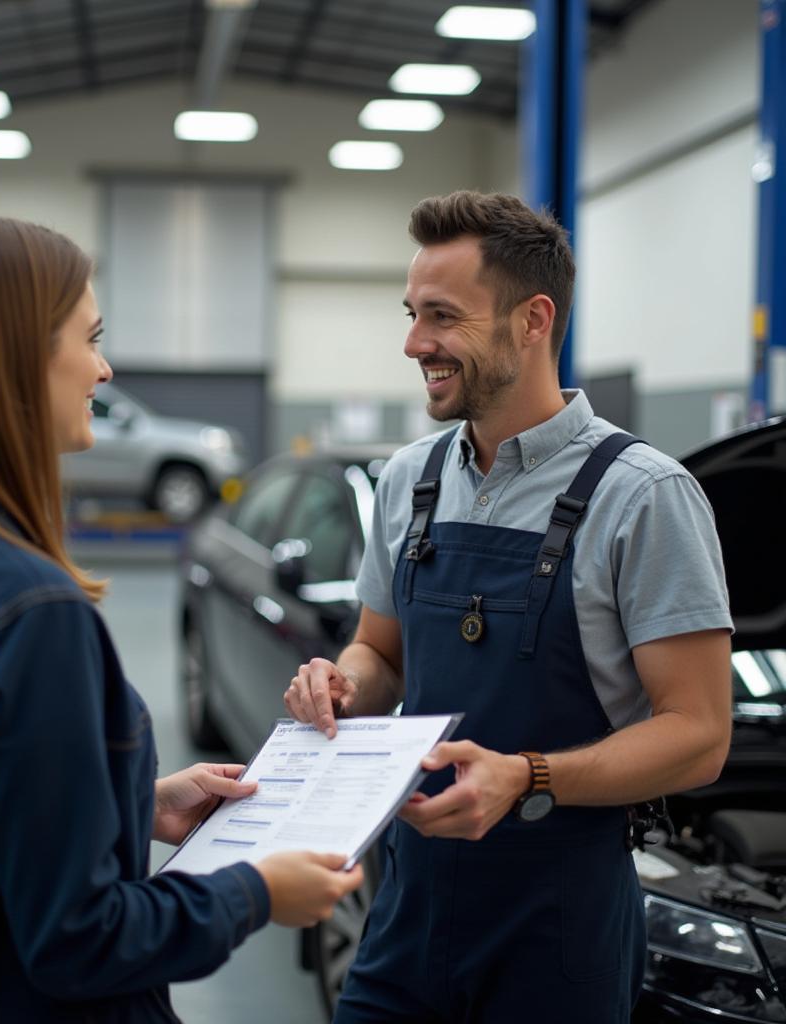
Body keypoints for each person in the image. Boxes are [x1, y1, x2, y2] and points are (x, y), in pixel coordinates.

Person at [0, 215, 362, 1024]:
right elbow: (80, 940)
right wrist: (254, 892)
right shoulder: (28, 611)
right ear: (12, 359)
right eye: (90, 338)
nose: (102, 370)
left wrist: (136, 805)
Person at [284, 191, 733, 1023]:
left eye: (443, 317)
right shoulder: (409, 481)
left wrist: (528, 778)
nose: (415, 343)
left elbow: (700, 735)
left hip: (557, 928)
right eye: (413, 313)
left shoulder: (644, 497)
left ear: (533, 321)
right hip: (406, 912)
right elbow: (381, 655)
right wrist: (341, 684)